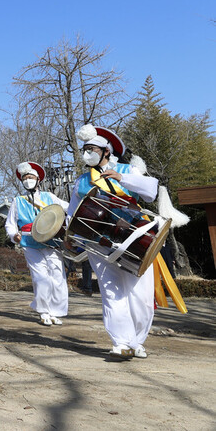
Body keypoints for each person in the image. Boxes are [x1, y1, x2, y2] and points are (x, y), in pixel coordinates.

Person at [65, 125, 160, 359]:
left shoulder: (128, 170)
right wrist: (69, 235)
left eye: (92, 149)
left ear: (106, 151)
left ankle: (137, 341)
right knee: (111, 290)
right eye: (84, 149)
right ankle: (121, 342)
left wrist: (122, 178)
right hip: (99, 241)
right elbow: (73, 211)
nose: (87, 153)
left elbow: (151, 191)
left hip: (134, 236)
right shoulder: (82, 181)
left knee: (141, 295)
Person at [4, 161, 71, 326]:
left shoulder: (50, 197)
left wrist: (67, 230)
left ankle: (55, 311)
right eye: (25, 178)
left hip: (52, 240)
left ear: (38, 179)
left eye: (31, 177)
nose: (28, 180)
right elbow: (10, 223)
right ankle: (43, 311)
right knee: (41, 277)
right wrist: (14, 235)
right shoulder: (18, 201)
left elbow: (69, 209)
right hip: (29, 240)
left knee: (57, 275)